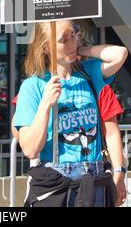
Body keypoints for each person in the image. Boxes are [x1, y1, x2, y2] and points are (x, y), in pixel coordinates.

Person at [13, 20, 128, 207]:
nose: (71, 42)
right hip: (57, 180)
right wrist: (46, 104)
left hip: (94, 177)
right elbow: (30, 149)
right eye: (63, 39)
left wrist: (80, 50)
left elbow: (119, 54)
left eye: (73, 34)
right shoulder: (33, 86)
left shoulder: (89, 73)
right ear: (45, 48)